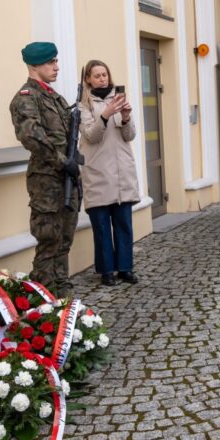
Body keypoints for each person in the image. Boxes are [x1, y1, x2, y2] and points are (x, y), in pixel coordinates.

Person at [10, 42, 82, 297]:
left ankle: (62, 292)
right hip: (47, 181)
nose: (56, 66)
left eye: (56, 61)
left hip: (67, 177)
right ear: (34, 65)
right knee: (49, 240)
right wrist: (64, 162)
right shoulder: (26, 98)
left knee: (64, 239)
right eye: (51, 62)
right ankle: (42, 298)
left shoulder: (54, 96)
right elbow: (33, 138)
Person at [78, 60, 139, 287]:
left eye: (105, 74)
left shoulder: (118, 99)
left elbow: (129, 135)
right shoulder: (83, 106)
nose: (102, 79)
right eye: (97, 75)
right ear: (88, 80)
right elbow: (92, 136)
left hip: (122, 172)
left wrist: (125, 116)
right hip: (98, 172)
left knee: (123, 223)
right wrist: (105, 114)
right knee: (102, 226)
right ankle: (106, 271)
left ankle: (125, 268)